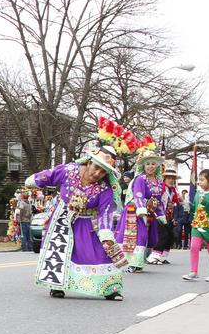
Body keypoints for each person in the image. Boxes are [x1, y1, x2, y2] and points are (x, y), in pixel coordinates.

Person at [27, 116, 133, 301]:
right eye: (96, 167)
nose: (97, 173)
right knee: (58, 250)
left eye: (103, 171)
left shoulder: (105, 188)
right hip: (62, 218)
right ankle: (56, 285)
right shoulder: (69, 170)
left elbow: (105, 213)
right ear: (88, 162)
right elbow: (49, 175)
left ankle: (110, 288)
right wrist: (35, 181)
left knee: (99, 251)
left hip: (88, 223)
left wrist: (106, 233)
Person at [115, 140, 165, 273]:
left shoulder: (159, 182)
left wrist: (161, 214)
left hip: (148, 212)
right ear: (143, 166)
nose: (150, 166)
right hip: (134, 211)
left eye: (153, 163)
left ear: (157, 166)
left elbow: (158, 199)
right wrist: (141, 208)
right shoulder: (140, 179)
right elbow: (138, 194)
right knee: (131, 237)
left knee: (143, 237)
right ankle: (128, 263)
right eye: (147, 163)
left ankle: (137, 263)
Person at [183, 169, 209, 282]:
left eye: (202, 180)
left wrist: (206, 202)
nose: (199, 182)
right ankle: (194, 271)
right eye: (198, 180)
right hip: (197, 225)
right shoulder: (198, 193)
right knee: (194, 247)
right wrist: (188, 206)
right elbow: (195, 208)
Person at [147, 164, 181, 265]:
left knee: (171, 236)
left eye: (173, 178)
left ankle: (162, 257)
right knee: (163, 235)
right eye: (169, 178)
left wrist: (182, 201)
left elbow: (176, 201)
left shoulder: (172, 190)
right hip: (159, 215)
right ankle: (153, 256)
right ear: (165, 178)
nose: (171, 180)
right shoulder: (161, 187)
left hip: (168, 216)